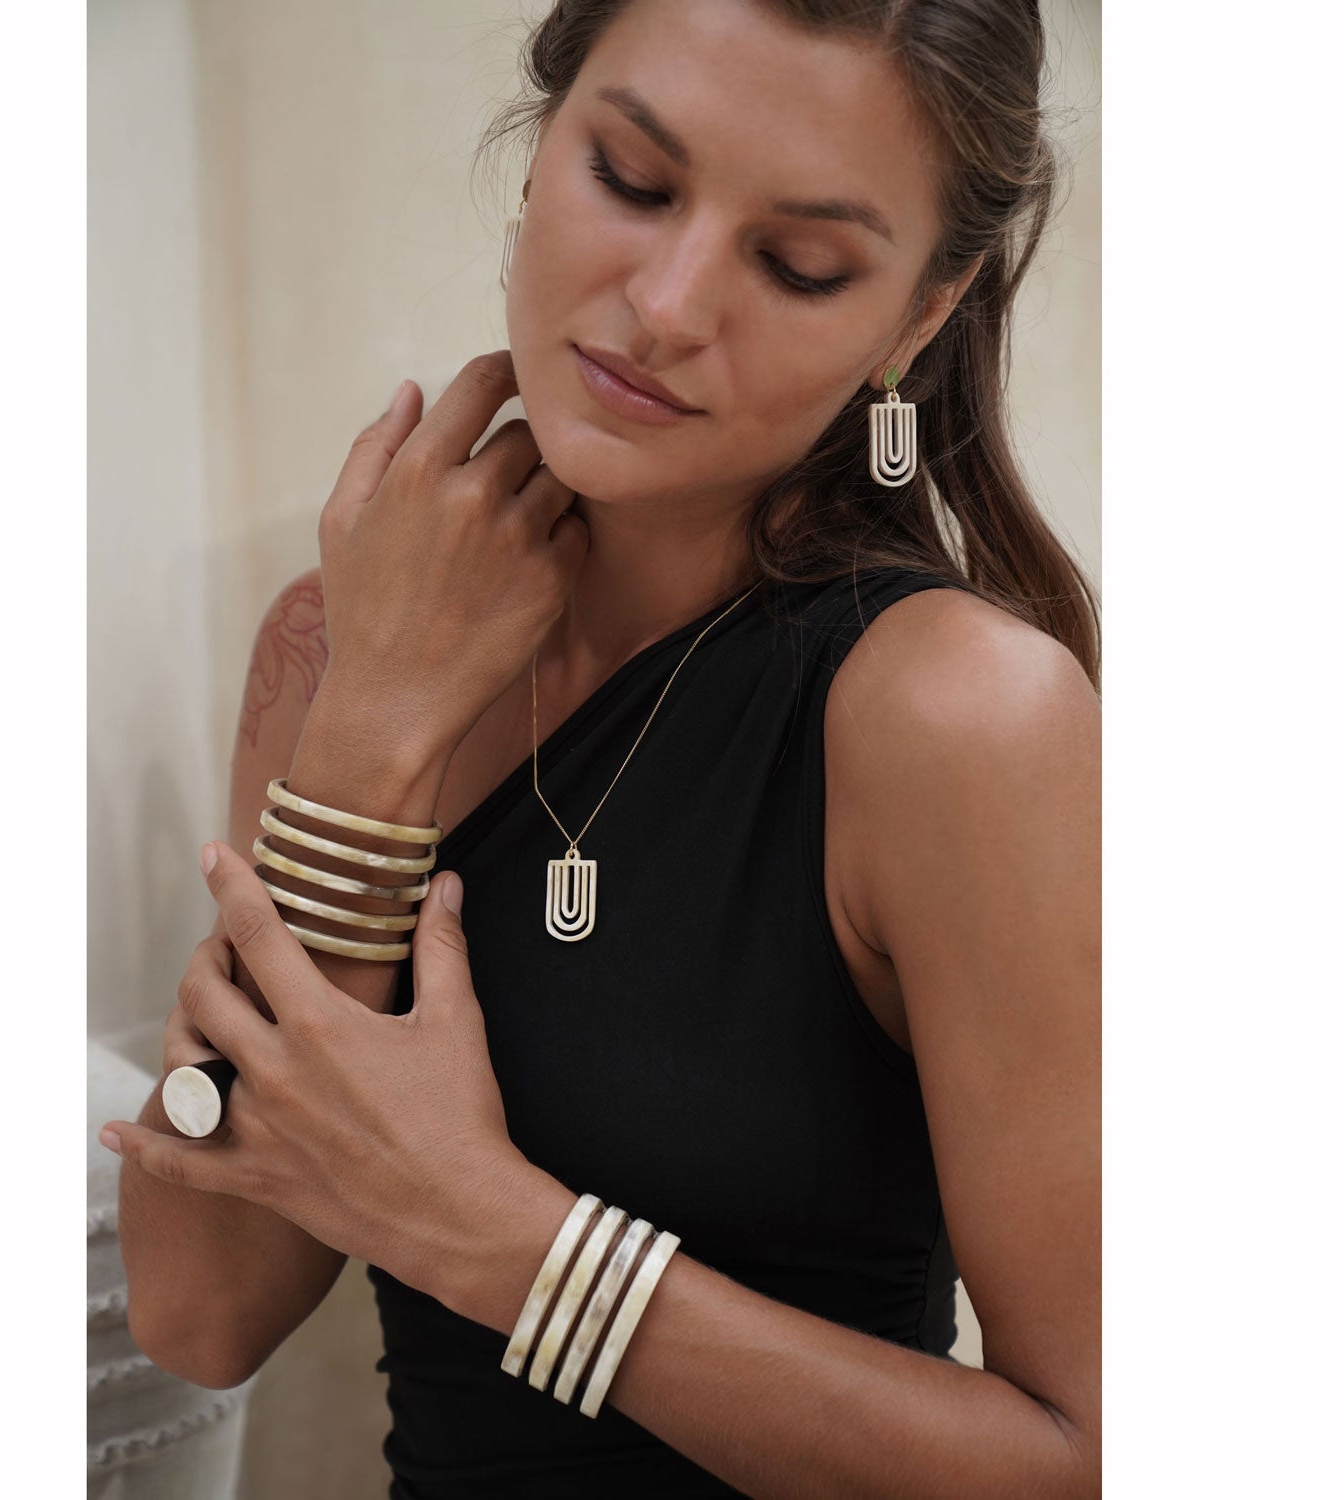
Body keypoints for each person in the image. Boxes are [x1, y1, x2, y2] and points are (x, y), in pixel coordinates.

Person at [103, 1, 1100, 1495]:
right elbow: (199, 1310)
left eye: (797, 264)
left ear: (919, 316)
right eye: (631, 180)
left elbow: (1091, 1458)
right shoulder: (333, 641)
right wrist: (375, 719)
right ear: (541, 145)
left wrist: (497, 1239)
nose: (670, 303)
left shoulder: (957, 715)